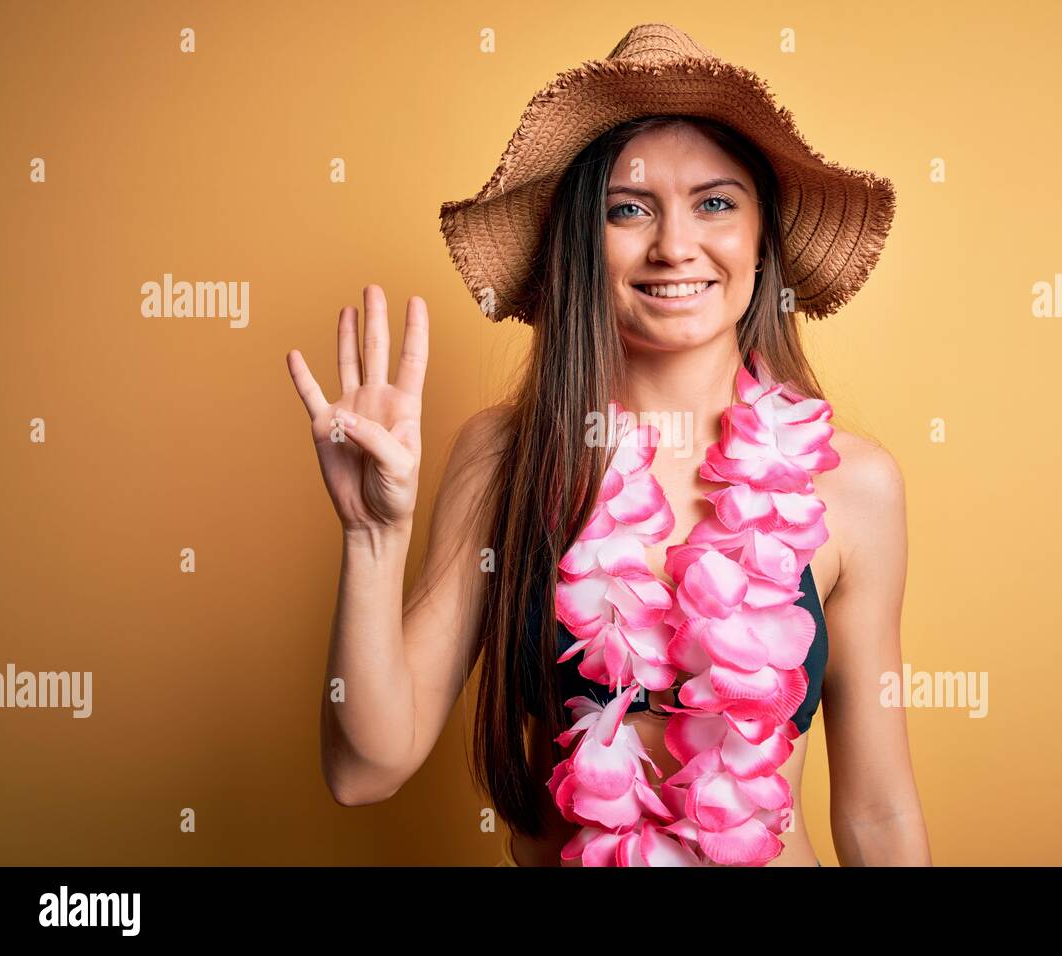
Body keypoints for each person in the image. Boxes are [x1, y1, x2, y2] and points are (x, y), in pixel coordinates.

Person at [285, 23, 930, 867]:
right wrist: (373, 538)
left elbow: (879, 813)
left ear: (762, 239)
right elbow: (364, 769)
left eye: (715, 202)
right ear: (579, 243)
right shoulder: (506, 460)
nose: (673, 244)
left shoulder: (853, 485)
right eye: (628, 209)